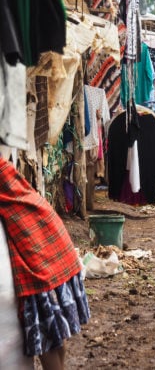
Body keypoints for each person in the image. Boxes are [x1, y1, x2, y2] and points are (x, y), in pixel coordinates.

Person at [0, 156, 90, 370]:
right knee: (55, 338)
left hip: (36, 258)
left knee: (49, 339)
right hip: (48, 241)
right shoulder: (8, 173)